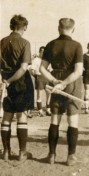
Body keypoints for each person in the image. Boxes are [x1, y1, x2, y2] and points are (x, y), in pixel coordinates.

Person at [40, 18, 83, 166]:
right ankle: (71, 156)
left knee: (54, 120)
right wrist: (64, 84)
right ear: (73, 29)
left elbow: (42, 68)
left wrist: (54, 82)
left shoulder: (50, 44)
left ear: (58, 28)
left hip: (55, 82)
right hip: (72, 84)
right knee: (73, 120)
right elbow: (78, 71)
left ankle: (51, 155)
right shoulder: (77, 45)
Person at [0, 14, 34, 161]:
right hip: (20, 82)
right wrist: (10, 81)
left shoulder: (2, 42)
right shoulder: (25, 43)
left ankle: (6, 152)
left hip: (5, 79)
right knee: (21, 116)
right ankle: (22, 153)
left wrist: (5, 81)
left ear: (11, 26)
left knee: (7, 116)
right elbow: (23, 68)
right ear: (24, 27)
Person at [30, 46, 52, 116]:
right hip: (39, 77)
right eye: (42, 52)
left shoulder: (47, 60)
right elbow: (32, 70)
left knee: (49, 93)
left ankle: (48, 110)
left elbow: (49, 70)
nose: (43, 53)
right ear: (39, 52)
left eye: (44, 52)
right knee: (39, 95)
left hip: (46, 78)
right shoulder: (36, 60)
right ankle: (40, 111)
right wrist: (36, 76)